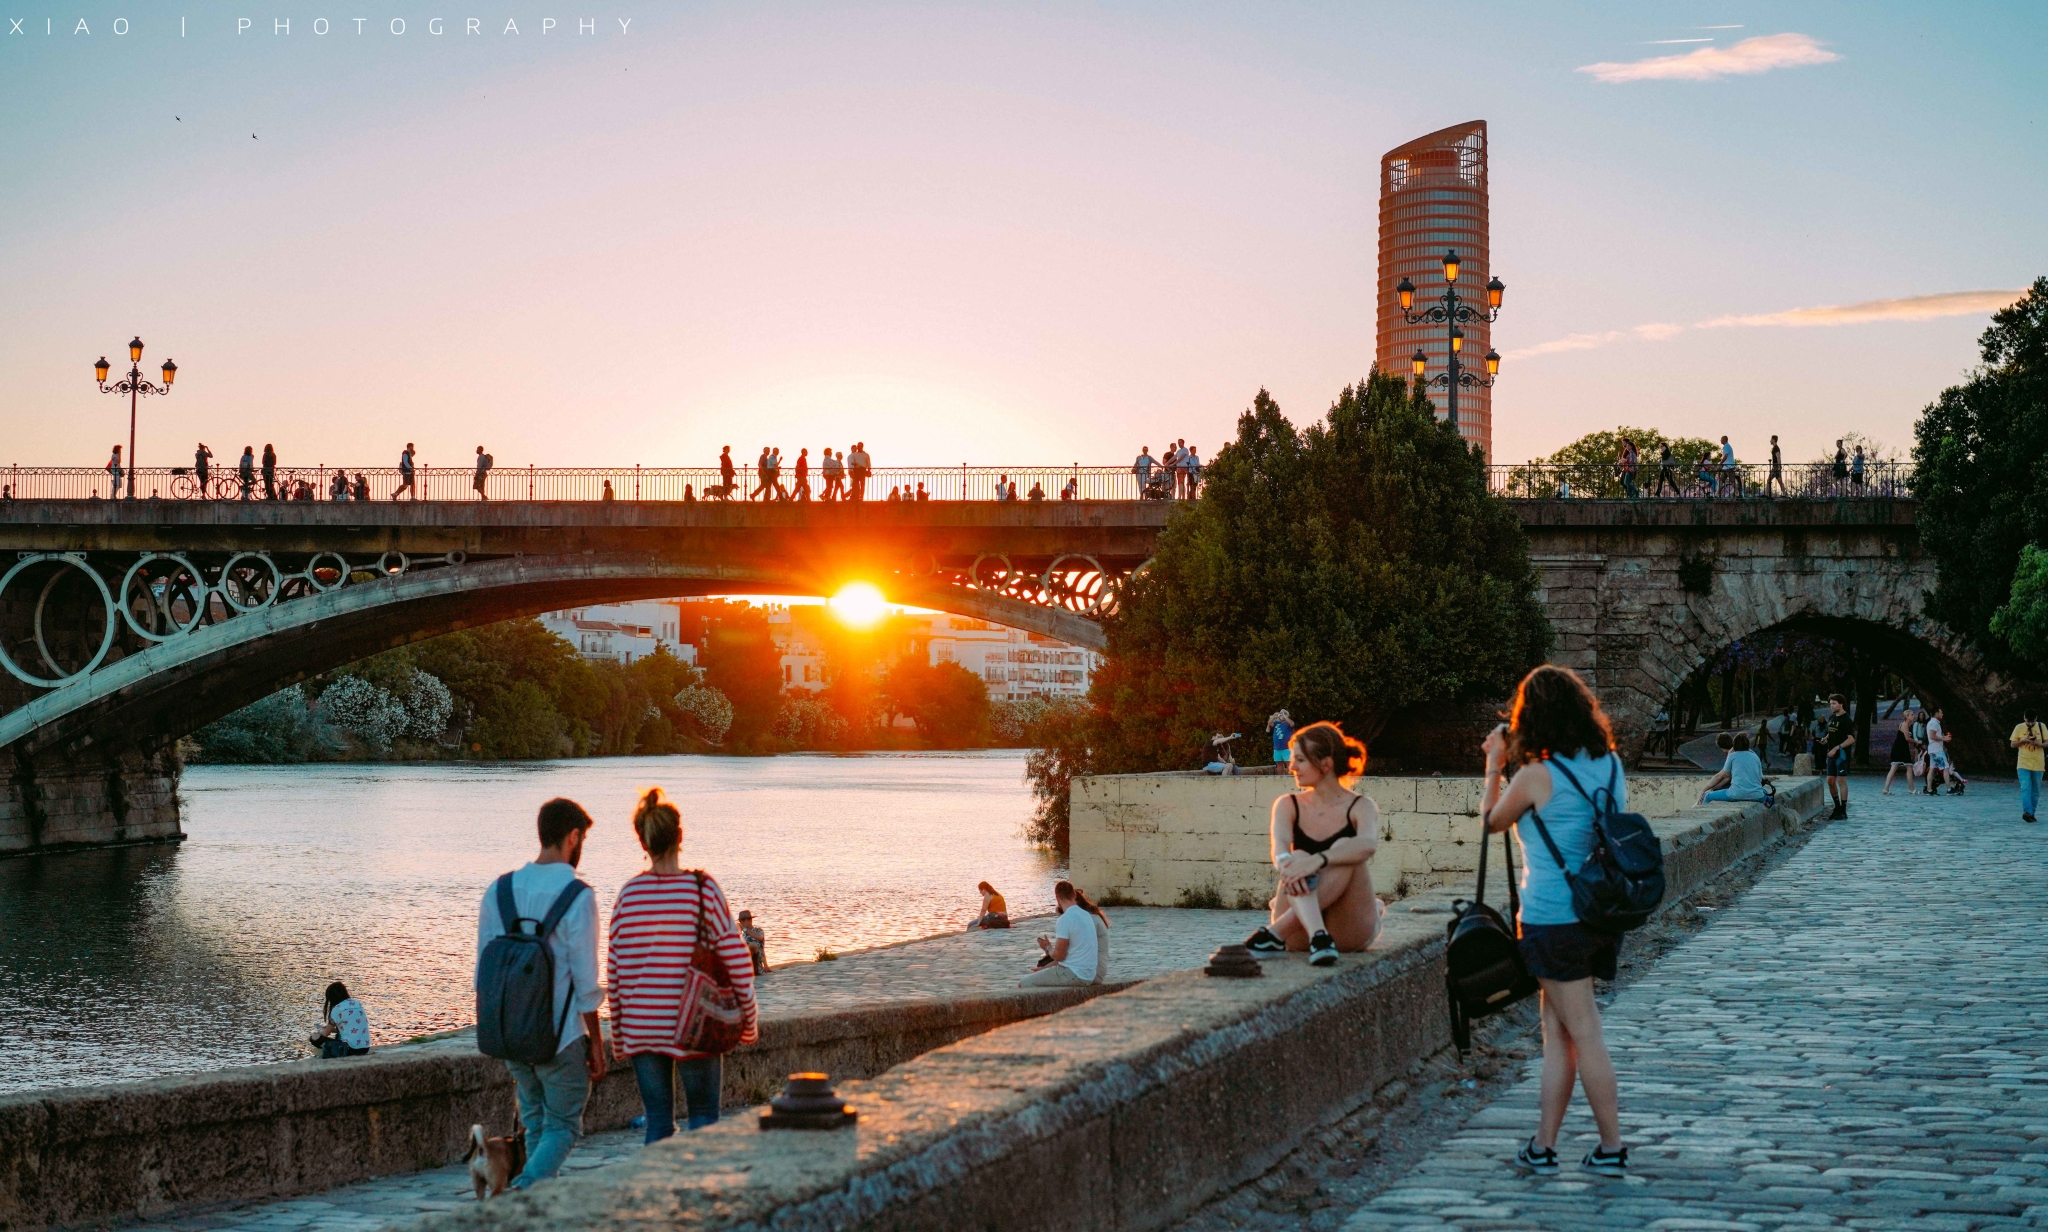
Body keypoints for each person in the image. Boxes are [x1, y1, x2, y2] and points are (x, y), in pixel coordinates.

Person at [1479, 664, 1629, 1178]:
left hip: (1551, 916)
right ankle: (1543, 1144)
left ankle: (1611, 1147)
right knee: (1557, 1030)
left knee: (1582, 1029)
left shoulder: (1536, 776)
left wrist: (1495, 762)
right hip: (1599, 913)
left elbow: (1492, 821)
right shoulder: (1610, 766)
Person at [607, 788, 757, 1143]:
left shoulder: (629, 895)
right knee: (704, 1120)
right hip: (696, 1022)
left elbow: (614, 972)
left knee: (657, 1124)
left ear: (643, 844)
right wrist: (748, 1021)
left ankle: (658, 1194)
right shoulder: (702, 890)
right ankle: (698, 1193)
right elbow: (736, 959)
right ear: (680, 837)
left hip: (642, 1027)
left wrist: (619, 1036)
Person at [475, 798, 606, 1188]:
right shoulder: (578, 896)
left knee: (535, 1123)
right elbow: (586, 985)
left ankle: (535, 1204)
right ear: (573, 836)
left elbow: (483, 974)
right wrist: (595, 1043)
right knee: (564, 1126)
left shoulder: (498, 891)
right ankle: (524, 1191)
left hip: (511, 1034)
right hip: (560, 1036)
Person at [1242, 721, 1383, 965]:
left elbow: (1367, 844)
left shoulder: (1361, 806)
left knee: (1346, 850)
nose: (1291, 767)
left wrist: (1318, 860)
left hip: (1348, 930)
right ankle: (1317, 935)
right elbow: (1280, 847)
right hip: (1299, 938)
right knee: (1295, 857)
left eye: (1300, 760)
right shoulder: (1288, 804)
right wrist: (1293, 864)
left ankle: (1275, 933)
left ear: (1326, 764)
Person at [1020, 881, 1109, 986]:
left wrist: (1047, 947)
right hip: (1089, 974)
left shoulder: (1065, 919)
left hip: (1075, 974)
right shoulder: (1087, 915)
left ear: (1057, 898)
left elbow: (1059, 956)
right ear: (1074, 895)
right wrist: (1044, 969)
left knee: (1024, 984)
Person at [1699, 731, 1767, 803]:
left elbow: (1725, 775)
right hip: (1758, 795)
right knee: (1765, 793)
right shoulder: (1755, 756)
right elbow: (1760, 778)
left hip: (1737, 794)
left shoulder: (1732, 755)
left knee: (1708, 796)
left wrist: (1705, 789)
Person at [310, 981, 371, 1058]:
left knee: (314, 1037)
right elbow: (350, 1028)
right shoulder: (356, 1003)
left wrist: (321, 1031)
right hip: (365, 1048)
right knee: (338, 1035)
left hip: (350, 1049)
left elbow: (325, 1034)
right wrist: (333, 1030)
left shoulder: (337, 1008)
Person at [1821, 693, 1855, 819]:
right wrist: (1825, 739)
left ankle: (1843, 810)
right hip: (1831, 754)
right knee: (1830, 781)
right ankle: (1837, 807)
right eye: (1830, 704)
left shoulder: (1846, 720)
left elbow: (1851, 739)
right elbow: (1831, 732)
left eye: (1834, 703)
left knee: (1841, 780)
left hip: (1841, 755)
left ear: (1841, 704)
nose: (1832, 706)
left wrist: (1837, 747)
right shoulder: (1832, 717)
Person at [2012, 710, 2044, 823]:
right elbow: (2012, 744)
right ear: (2024, 718)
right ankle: (2027, 812)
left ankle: (2032, 813)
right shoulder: (2019, 727)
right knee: (2025, 787)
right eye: (2028, 722)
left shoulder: (2042, 726)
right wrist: (2023, 741)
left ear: (2036, 719)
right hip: (2023, 763)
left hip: (2038, 764)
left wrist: (2038, 744)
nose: (2030, 724)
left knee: (2035, 790)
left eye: (2032, 722)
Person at [1883, 708, 1922, 796]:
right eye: (1911, 715)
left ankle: (1887, 789)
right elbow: (1907, 738)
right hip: (1899, 748)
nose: (1913, 716)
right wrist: (1917, 742)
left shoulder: (1908, 726)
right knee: (1898, 768)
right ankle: (1910, 789)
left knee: (1907, 767)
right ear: (1907, 716)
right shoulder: (1904, 725)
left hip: (1903, 748)